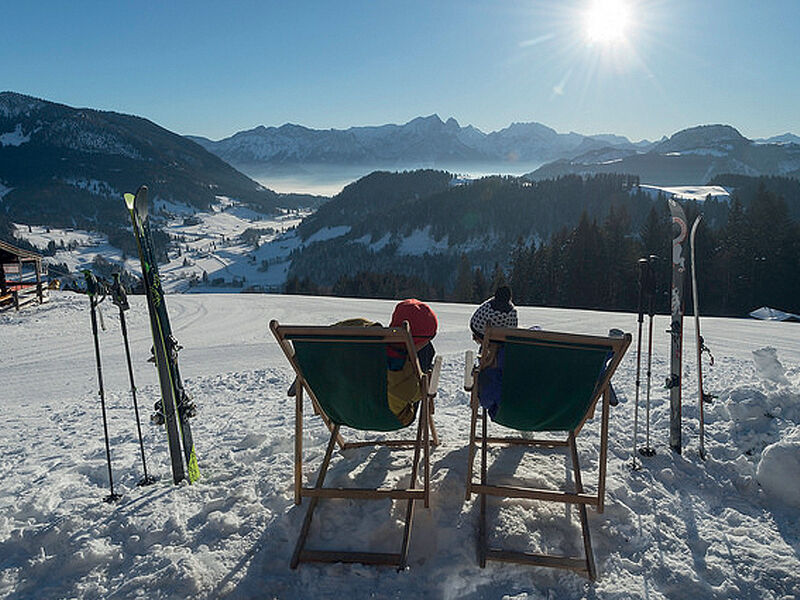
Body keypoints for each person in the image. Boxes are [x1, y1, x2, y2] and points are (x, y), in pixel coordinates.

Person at [387, 299, 438, 425]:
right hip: (396, 416)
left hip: (347, 411)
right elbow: (413, 393)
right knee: (427, 350)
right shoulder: (419, 353)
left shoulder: (370, 347)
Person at [470, 286, 518, 418]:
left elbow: (487, 398)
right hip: (525, 404)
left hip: (497, 407)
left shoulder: (488, 362)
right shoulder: (517, 356)